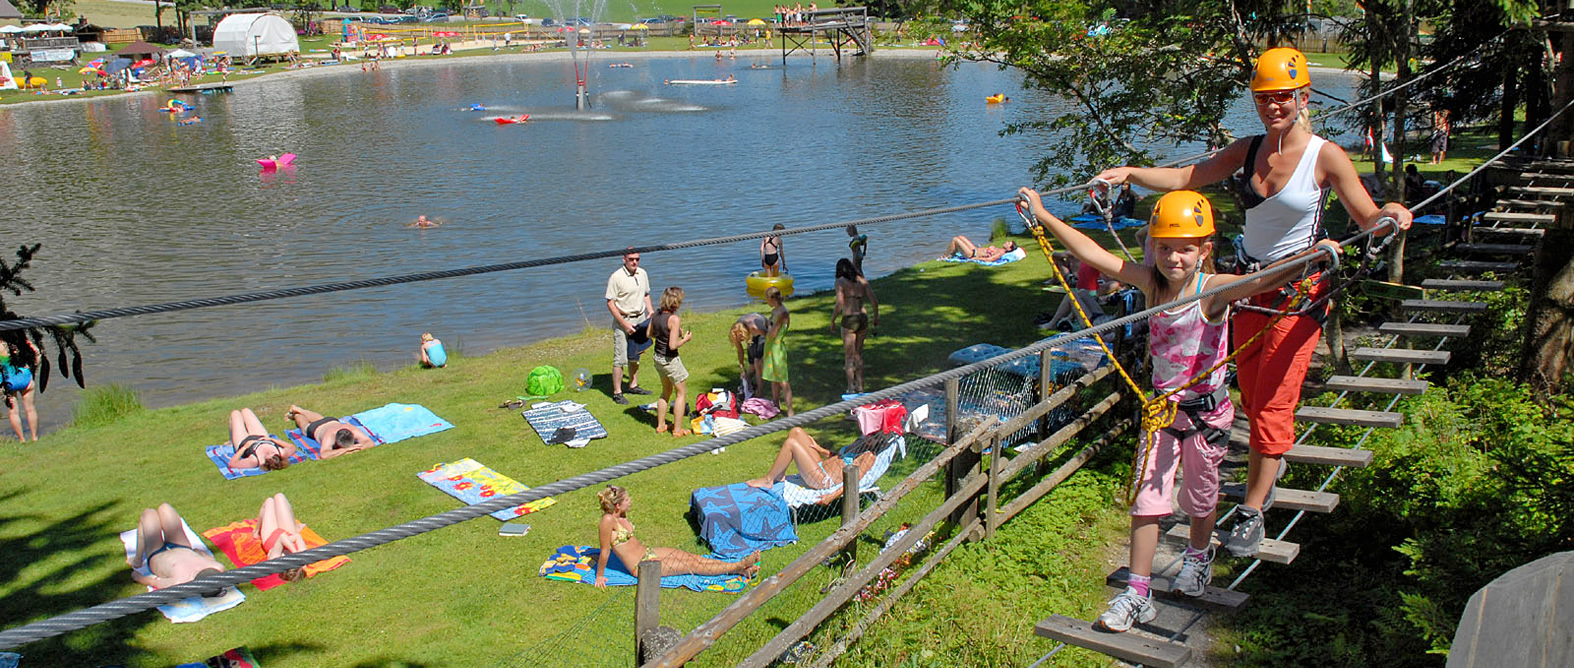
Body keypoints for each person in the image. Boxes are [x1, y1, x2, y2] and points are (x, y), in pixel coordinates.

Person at [1094, 47, 1413, 560]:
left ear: (1303, 96)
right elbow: (1185, 179)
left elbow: (1367, 216)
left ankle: (1253, 508)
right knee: (1248, 391)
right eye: (1265, 98)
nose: (1274, 106)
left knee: (1271, 402)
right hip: (1243, 288)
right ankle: (1268, 467)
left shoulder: (1324, 156)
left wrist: (1391, 214)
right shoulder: (1247, 150)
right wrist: (1129, 173)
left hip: (1296, 292)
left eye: (1283, 96)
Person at [1020, 187, 1342, 633]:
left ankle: (1197, 556)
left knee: (1199, 498)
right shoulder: (1151, 284)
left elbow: (1265, 280)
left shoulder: (1211, 291)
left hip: (1206, 416)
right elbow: (1091, 251)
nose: (1173, 259)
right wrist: (1043, 216)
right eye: (1165, 248)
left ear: (1204, 250)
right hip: (1162, 415)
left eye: (1184, 250)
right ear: (1153, 247)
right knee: (1147, 503)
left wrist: (1312, 258)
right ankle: (1137, 593)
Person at [594, 485, 759, 588]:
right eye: (627, 499)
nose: (630, 501)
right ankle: (739, 566)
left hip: (648, 552)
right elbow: (605, 551)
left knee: (691, 557)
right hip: (641, 566)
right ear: (617, 505)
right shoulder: (608, 521)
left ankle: (739, 570)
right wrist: (600, 575)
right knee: (690, 566)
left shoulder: (621, 515)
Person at [128, 503, 228, 591]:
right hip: (182, 547)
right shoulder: (218, 567)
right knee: (165, 508)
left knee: (149, 514)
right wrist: (198, 554)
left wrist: (136, 575)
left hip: (158, 554)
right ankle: (138, 559)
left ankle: (137, 560)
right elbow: (203, 554)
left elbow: (152, 582)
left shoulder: (180, 582)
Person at [745, 427, 881, 490]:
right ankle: (779, 474)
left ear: (879, 440)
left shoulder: (868, 456)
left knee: (791, 444)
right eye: (869, 433)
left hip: (822, 480)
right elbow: (840, 457)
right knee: (796, 432)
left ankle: (768, 480)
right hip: (820, 466)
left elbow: (854, 483)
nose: (868, 437)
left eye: (873, 436)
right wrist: (820, 449)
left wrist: (830, 496)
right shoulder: (859, 443)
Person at [605, 248, 654, 405]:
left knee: (636, 355)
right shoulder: (616, 277)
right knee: (620, 359)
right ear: (624, 259)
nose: (634, 262)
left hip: (639, 319)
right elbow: (610, 302)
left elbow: (646, 294)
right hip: (623, 321)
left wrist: (651, 310)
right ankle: (617, 392)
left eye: (637, 259)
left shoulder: (643, 274)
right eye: (631, 259)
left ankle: (633, 385)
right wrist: (624, 324)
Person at [648, 287, 693, 437]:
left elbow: (649, 333)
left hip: (658, 358)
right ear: (676, 301)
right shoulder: (674, 319)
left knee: (665, 391)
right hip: (670, 359)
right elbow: (672, 345)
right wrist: (684, 339)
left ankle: (661, 425)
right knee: (681, 393)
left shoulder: (656, 315)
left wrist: (670, 332)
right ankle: (678, 430)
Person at [831, 258, 879, 394]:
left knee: (849, 356)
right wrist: (876, 318)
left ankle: (851, 388)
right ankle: (861, 386)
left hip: (849, 318)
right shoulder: (862, 280)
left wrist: (833, 320)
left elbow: (840, 303)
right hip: (863, 318)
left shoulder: (840, 282)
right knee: (858, 354)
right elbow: (874, 301)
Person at [285, 405, 374, 459]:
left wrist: (352, 449)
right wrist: (346, 450)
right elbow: (324, 454)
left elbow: (370, 443)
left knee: (320, 419)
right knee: (304, 425)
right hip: (316, 428)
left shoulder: (351, 429)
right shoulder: (330, 436)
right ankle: (296, 414)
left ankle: (300, 409)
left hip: (330, 421)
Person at [253, 492, 307, 582]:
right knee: (279, 496)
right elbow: (297, 537)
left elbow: (281, 537)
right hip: (288, 533)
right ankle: (296, 526)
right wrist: (297, 553)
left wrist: (294, 552)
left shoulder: (275, 562)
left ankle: (256, 531)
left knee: (269, 502)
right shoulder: (303, 559)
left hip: (271, 538)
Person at [1048, 252, 1106, 330]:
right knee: (1082, 292)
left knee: (1071, 295)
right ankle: (1068, 318)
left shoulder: (1077, 254)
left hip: (1096, 325)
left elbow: (1055, 255)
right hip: (1105, 319)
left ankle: (1052, 324)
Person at [227, 408, 296, 471]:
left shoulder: (254, 460)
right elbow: (292, 447)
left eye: (270, 457)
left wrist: (244, 447)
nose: (270, 453)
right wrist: (272, 439)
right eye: (273, 455)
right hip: (261, 436)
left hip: (243, 441)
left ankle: (232, 441)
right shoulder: (281, 452)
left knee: (235, 414)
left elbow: (232, 464)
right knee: (246, 411)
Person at [761, 286, 793, 416]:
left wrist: (768, 326)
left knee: (783, 380)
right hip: (771, 347)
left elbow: (773, 333)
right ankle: (775, 404)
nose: (766, 301)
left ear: (772, 299)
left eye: (767, 299)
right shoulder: (775, 310)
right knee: (774, 378)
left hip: (777, 347)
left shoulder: (782, 313)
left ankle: (790, 410)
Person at [2, 338, 40, 442]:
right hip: (24, 375)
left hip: (7, 380)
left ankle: (22, 439)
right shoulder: (19, 340)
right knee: (30, 409)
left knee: (13, 412)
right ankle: (34, 437)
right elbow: (36, 352)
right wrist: (33, 368)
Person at [729, 313, 771, 398]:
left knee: (757, 362)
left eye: (742, 338)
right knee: (751, 367)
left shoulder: (755, 327)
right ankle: (747, 384)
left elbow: (770, 337)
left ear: (744, 333)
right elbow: (740, 350)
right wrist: (742, 369)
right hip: (751, 334)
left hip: (764, 332)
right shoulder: (736, 329)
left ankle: (760, 390)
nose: (741, 340)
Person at [945, 235, 1017, 262]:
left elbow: (990, 259)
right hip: (974, 249)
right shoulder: (1000, 249)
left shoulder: (1001, 253)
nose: (1006, 242)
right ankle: (952, 254)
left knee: (955, 239)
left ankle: (944, 257)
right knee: (961, 237)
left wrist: (976, 259)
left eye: (1008, 243)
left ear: (1009, 249)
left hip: (972, 254)